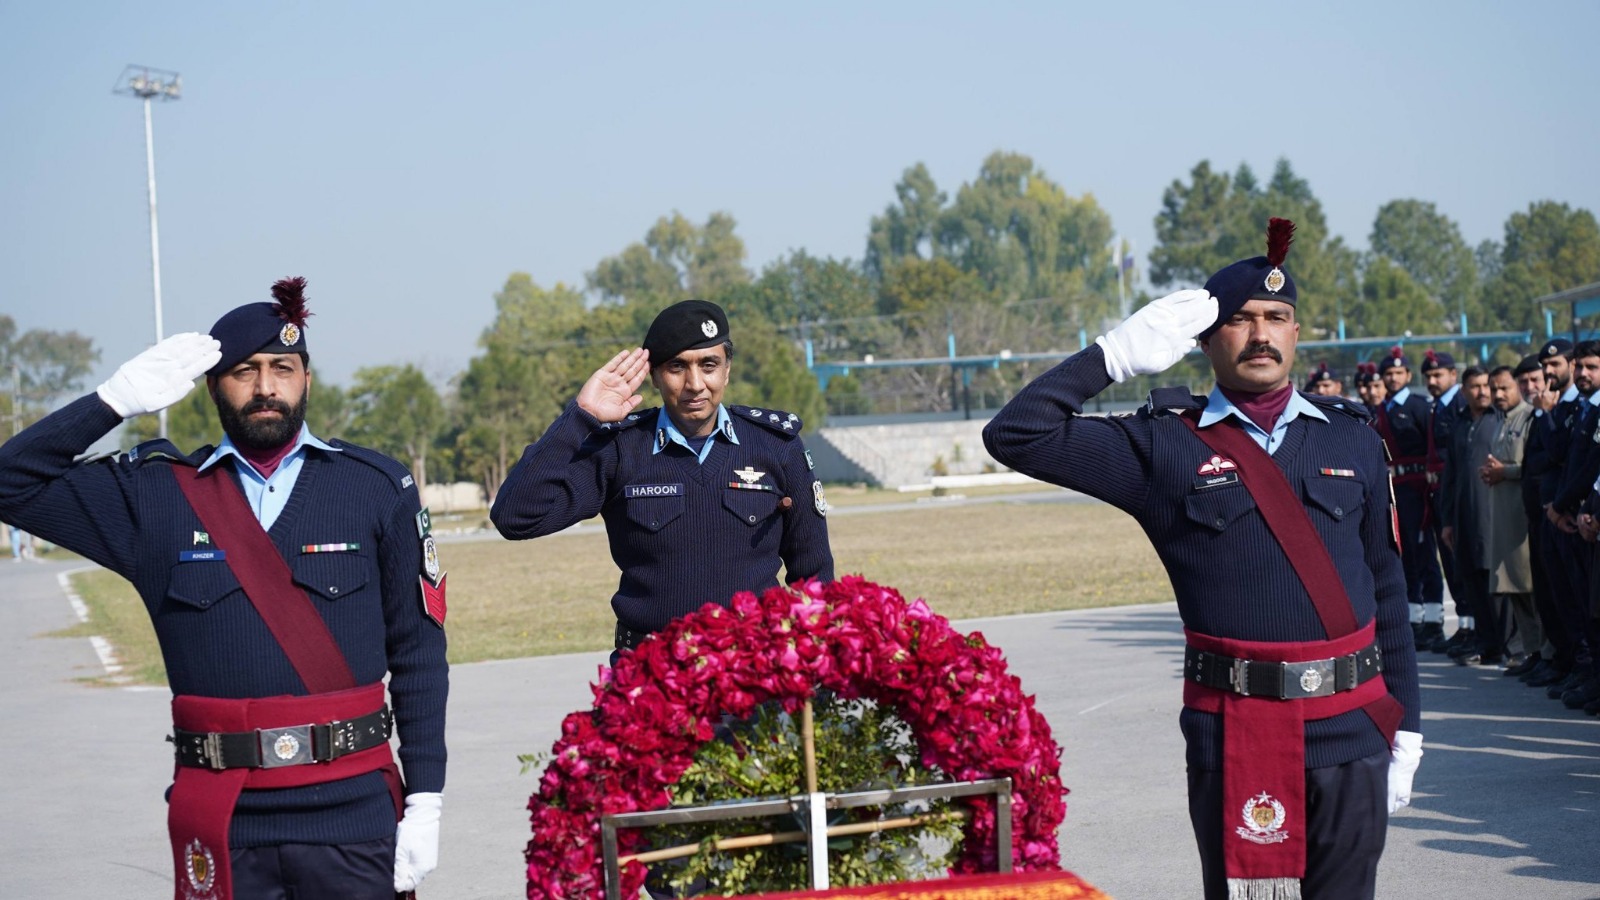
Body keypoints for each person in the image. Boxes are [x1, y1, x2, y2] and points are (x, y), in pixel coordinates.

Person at [983, 218, 1421, 900]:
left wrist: (1408, 728)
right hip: (1239, 733)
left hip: (1353, 730)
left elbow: (1388, 590)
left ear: (1297, 333)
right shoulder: (1163, 446)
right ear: (1205, 338)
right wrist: (1112, 356)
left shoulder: (1353, 440)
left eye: (1276, 318)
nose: (1260, 334)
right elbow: (1016, 433)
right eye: (1240, 319)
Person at [0, 278, 448, 900]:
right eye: (244, 371)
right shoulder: (154, 496)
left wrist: (426, 798)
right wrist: (112, 401)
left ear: (307, 379)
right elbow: (11, 483)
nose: (265, 387)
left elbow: (419, 655)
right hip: (223, 821)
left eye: (282, 368)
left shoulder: (374, 486)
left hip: (354, 814)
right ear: (211, 386)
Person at [491, 299, 834, 661]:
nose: (695, 384)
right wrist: (581, 417)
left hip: (750, 671)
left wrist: (814, 670)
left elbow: (813, 574)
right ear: (653, 375)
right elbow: (516, 517)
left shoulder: (776, 447)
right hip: (649, 672)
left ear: (727, 370)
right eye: (676, 367)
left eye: (709, 365)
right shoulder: (620, 450)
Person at [1375, 345, 1446, 649]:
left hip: (1418, 488)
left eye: (1398, 372)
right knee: (1406, 556)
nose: (1393, 378)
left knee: (1425, 554)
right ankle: (1415, 620)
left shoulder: (1418, 406)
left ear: (1407, 375)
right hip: (1396, 489)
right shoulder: (1382, 409)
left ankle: (1434, 622)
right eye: (1388, 373)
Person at [1478, 365, 1538, 669]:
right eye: (1494, 389)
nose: (1498, 394)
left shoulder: (1530, 417)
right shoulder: (1501, 421)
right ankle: (1530, 653)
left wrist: (1506, 472)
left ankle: (1547, 655)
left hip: (1522, 520)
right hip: (1503, 520)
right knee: (1514, 590)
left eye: (1505, 387)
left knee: (1532, 589)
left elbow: (1534, 466)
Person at [1437, 367, 1495, 664]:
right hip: (1463, 517)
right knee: (1471, 579)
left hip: (1493, 516)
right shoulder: (1459, 424)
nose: (1482, 391)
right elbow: (1450, 475)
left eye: (1486, 385)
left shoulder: (1498, 419)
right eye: (1475, 386)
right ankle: (1485, 643)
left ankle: (1509, 646)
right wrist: (1447, 520)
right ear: (1464, 391)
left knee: (1494, 581)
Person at [1509, 355, 1560, 682]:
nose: (1530, 387)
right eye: (1524, 381)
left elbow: (1555, 456)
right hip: (1534, 515)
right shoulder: (1531, 415)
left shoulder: (1550, 413)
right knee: (1542, 590)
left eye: (1535, 380)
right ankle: (1546, 656)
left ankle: (1563, 659)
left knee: (1560, 594)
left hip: (1557, 513)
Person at [1422, 350, 1468, 653]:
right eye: (1428, 376)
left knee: (1461, 562)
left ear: (1453, 374)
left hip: (1456, 491)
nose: (1432, 380)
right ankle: (1465, 628)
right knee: (1450, 563)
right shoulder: (1438, 406)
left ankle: (1473, 627)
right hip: (1439, 491)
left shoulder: (1459, 404)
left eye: (1438, 375)